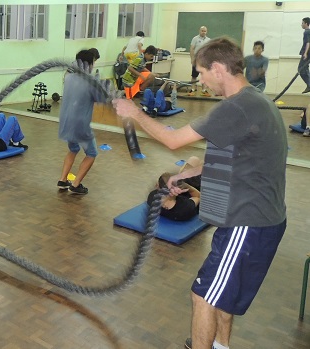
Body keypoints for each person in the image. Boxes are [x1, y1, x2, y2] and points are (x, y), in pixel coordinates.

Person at [113, 37, 286, 349]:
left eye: (202, 73)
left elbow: (173, 140)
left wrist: (134, 112)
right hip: (256, 220)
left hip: (248, 223)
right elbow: (240, 157)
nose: (201, 81)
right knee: (222, 296)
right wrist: (188, 174)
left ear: (218, 69)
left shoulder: (236, 107)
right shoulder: (256, 102)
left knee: (203, 295)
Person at [56, 49, 109, 195]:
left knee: (73, 149)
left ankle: (62, 180)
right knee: (91, 153)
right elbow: (103, 99)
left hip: (65, 122)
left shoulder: (68, 78)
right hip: (80, 125)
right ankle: (76, 184)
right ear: (90, 64)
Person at [146, 157, 202, 222]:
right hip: (196, 186)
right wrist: (188, 187)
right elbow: (198, 196)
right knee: (196, 160)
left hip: (181, 185)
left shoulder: (152, 197)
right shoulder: (184, 207)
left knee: (194, 160)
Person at [189, 26, 211, 96]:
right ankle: (193, 90)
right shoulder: (195, 39)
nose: (203, 32)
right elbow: (192, 49)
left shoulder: (209, 40)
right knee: (194, 76)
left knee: (204, 76)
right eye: (202, 31)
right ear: (199, 31)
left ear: (206, 32)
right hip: (196, 60)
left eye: (205, 31)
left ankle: (204, 90)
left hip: (204, 61)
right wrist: (192, 59)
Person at [298, 17, 310, 93]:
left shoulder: (306, 32)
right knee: (305, 69)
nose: (301, 24)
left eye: (302, 23)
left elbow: (308, 43)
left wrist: (305, 53)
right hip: (308, 53)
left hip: (307, 53)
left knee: (300, 69)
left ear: (306, 23)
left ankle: (309, 84)